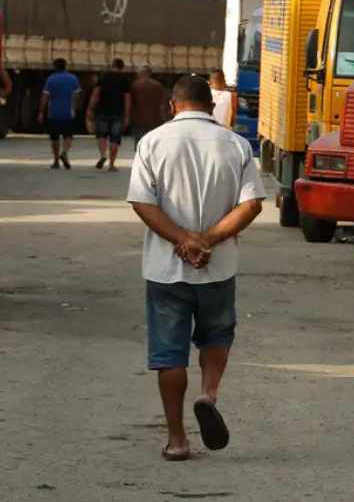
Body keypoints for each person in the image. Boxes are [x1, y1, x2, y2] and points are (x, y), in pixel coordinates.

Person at [127, 75, 264, 461]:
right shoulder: (236, 145)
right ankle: (208, 393)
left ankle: (176, 440)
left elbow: (142, 203)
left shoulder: (151, 142)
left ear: (173, 105)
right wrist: (208, 240)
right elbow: (251, 205)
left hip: (166, 271)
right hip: (218, 268)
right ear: (212, 105)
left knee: (169, 355)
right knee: (216, 335)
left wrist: (182, 240)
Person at [86, 58, 132, 172]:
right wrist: (127, 115)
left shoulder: (103, 77)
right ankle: (111, 164)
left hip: (102, 112)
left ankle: (103, 155)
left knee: (102, 136)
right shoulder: (125, 80)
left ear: (113, 65)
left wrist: (90, 109)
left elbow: (96, 94)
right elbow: (127, 99)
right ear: (122, 67)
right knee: (115, 139)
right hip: (118, 113)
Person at [37, 58, 81, 170]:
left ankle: (56, 161)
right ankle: (64, 152)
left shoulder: (51, 79)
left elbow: (45, 96)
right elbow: (76, 96)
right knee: (68, 136)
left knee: (54, 138)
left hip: (53, 113)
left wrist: (41, 112)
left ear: (55, 67)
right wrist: (74, 109)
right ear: (66, 66)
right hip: (68, 113)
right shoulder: (73, 79)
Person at [130, 66, 168, 143]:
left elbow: (131, 103)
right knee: (153, 141)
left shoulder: (134, 85)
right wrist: (164, 118)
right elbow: (162, 103)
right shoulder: (158, 85)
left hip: (138, 119)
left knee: (139, 142)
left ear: (141, 73)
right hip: (155, 119)